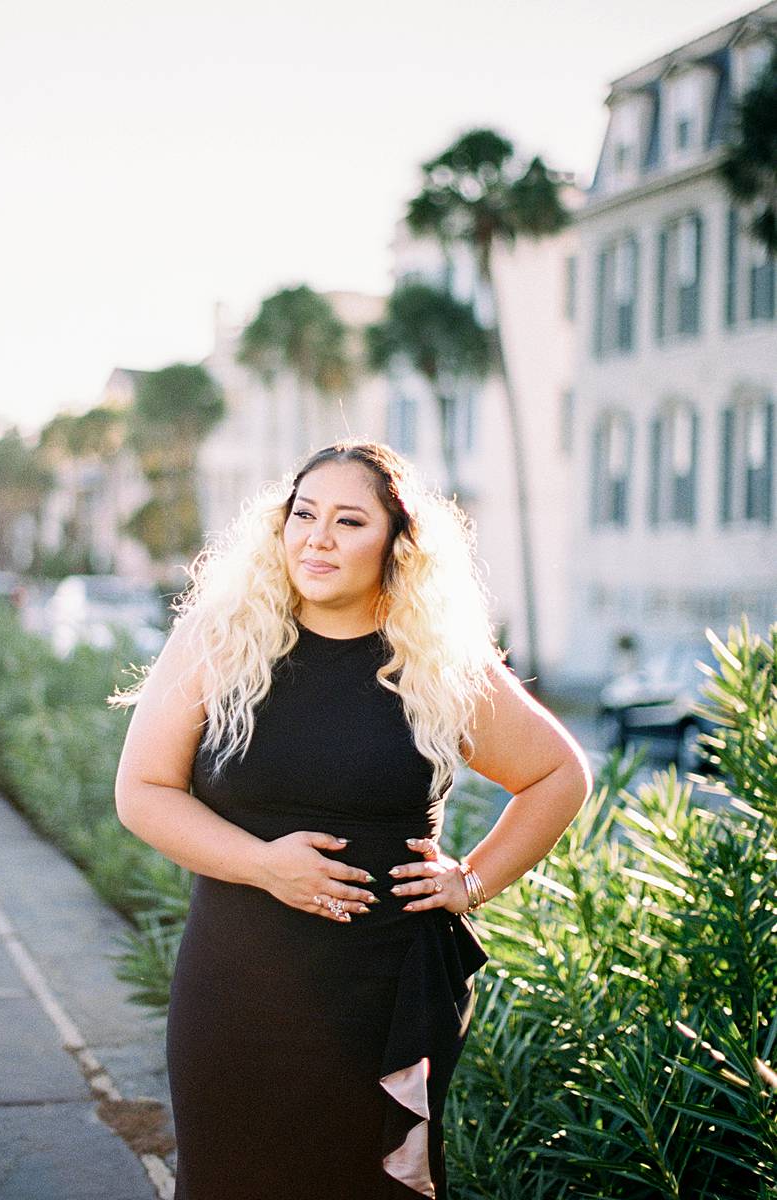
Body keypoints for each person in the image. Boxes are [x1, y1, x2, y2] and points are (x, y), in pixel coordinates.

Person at [112, 439, 592, 1200]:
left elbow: (558, 774)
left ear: (398, 543)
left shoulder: (435, 660)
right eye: (303, 514)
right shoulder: (221, 637)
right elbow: (142, 790)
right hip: (238, 988)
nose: (318, 537)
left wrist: (472, 880)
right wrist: (264, 864)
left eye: (348, 520)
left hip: (383, 995)